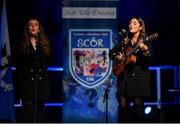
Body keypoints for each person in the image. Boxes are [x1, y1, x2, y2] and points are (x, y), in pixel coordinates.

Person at [109, 17, 153, 122]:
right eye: (130, 23)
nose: (131, 25)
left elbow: (150, 59)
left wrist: (145, 49)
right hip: (125, 79)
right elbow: (111, 53)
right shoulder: (125, 41)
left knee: (138, 109)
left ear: (140, 27)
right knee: (123, 108)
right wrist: (117, 57)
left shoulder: (145, 41)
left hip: (139, 78)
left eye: (134, 23)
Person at [15, 18, 51, 122]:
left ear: (39, 29)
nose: (33, 27)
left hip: (41, 83)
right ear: (28, 28)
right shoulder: (22, 44)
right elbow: (18, 64)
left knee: (40, 112)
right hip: (26, 84)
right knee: (28, 112)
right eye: (30, 25)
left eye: (35, 25)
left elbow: (48, 62)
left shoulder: (44, 44)